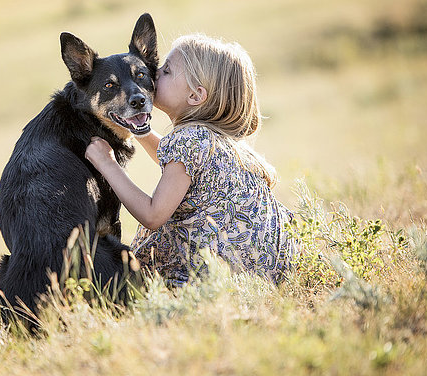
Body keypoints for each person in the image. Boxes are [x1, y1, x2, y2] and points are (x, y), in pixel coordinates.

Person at [85, 33, 297, 286]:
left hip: (215, 278)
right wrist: (138, 129)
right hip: (266, 270)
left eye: (166, 71)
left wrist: (108, 164)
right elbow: (175, 159)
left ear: (196, 96)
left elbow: (153, 216)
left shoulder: (189, 140)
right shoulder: (214, 140)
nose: (152, 73)